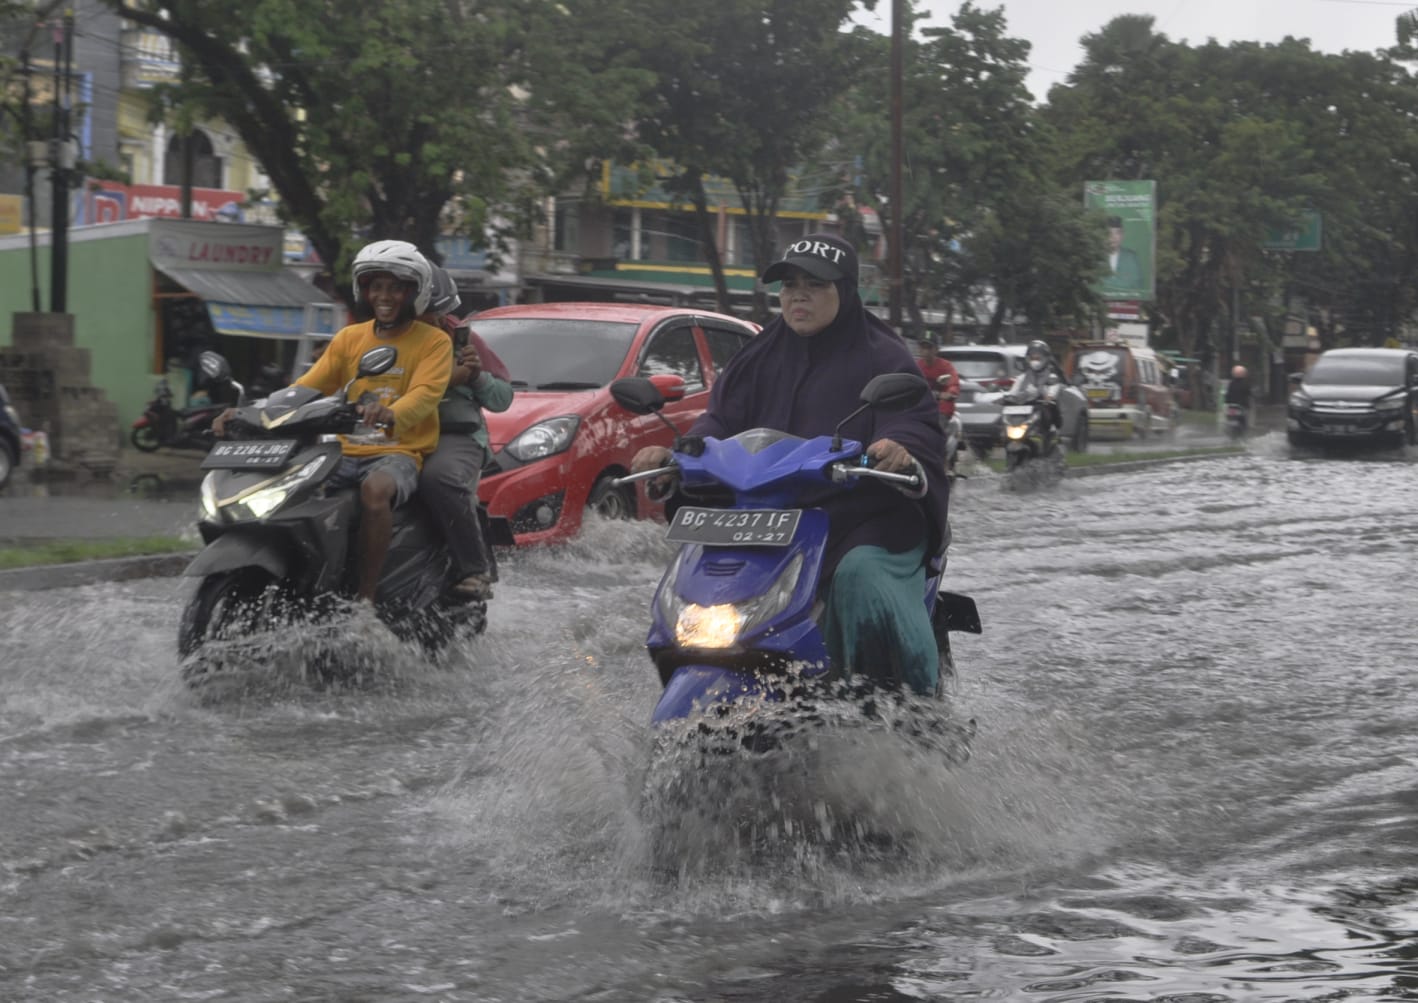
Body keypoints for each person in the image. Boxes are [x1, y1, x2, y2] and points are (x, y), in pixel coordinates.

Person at [630, 233, 949, 697]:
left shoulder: (884, 357)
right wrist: (680, 452)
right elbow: (720, 419)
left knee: (861, 579)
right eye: (789, 285)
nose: (798, 295)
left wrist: (898, 445)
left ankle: (905, 708)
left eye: (815, 285)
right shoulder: (757, 355)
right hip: (764, 517)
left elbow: (913, 422)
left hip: (857, 518)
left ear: (846, 290)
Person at [218, 239, 452, 606]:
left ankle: (365, 598)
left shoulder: (434, 342)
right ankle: (301, 578)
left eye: (394, 287)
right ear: (365, 291)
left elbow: (425, 394)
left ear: (414, 291)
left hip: (399, 451)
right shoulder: (349, 337)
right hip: (343, 450)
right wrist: (250, 413)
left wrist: (392, 413)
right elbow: (305, 388)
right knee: (289, 486)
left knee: (375, 492)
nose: (384, 296)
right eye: (376, 287)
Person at [417, 265, 514, 600]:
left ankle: (474, 568)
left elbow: (502, 400)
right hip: (395, 432)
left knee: (438, 478)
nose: (426, 323)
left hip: (453, 436)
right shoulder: (376, 336)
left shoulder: (465, 340)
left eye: (433, 315)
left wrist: (475, 376)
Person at [1006, 339, 1065, 453]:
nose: (1035, 361)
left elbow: (1053, 390)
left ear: (1046, 359)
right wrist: (1007, 398)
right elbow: (1013, 392)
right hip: (1023, 412)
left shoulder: (1051, 376)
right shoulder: (1022, 377)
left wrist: (1049, 397)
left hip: (1041, 409)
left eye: (1038, 358)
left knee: (1049, 410)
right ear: (1028, 359)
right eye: (1032, 358)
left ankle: (1048, 436)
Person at [916, 335, 961, 426]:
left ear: (936, 349)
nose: (926, 351)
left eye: (929, 348)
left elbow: (953, 384)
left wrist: (950, 393)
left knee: (937, 430)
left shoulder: (946, 366)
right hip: (919, 409)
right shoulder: (916, 366)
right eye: (923, 347)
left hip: (940, 410)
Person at [1101, 216, 1144, 294]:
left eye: (1117, 233)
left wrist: (1108, 283)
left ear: (1122, 235)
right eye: (1109, 233)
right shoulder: (1096, 257)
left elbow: (1138, 286)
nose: (1113, 237)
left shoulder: (1131, 257)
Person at [1224, 364, 1252, 435]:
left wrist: (1228, 403)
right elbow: (1249, 394)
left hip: (1231, 408)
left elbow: (1227, 396)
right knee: (1243, 423)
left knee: (1230, 420)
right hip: (1242, 407)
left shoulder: (1231, 384)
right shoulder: (1245, 384)